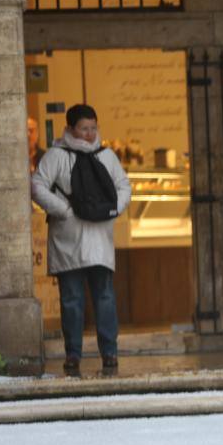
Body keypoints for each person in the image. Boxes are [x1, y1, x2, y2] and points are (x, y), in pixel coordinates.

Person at [30, 104, 131, 376]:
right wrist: (63, 210)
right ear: (70, 128)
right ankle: (73, 354)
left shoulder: (106, 156)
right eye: (84, 128)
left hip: (97, 239)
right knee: (72, 300)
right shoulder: (56, 156)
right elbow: (37, 186)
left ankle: (109, 353)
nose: (89, 133)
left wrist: (114, 209)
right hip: (69, 240)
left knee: (104, 298)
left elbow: (124, 186)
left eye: (93, 128)